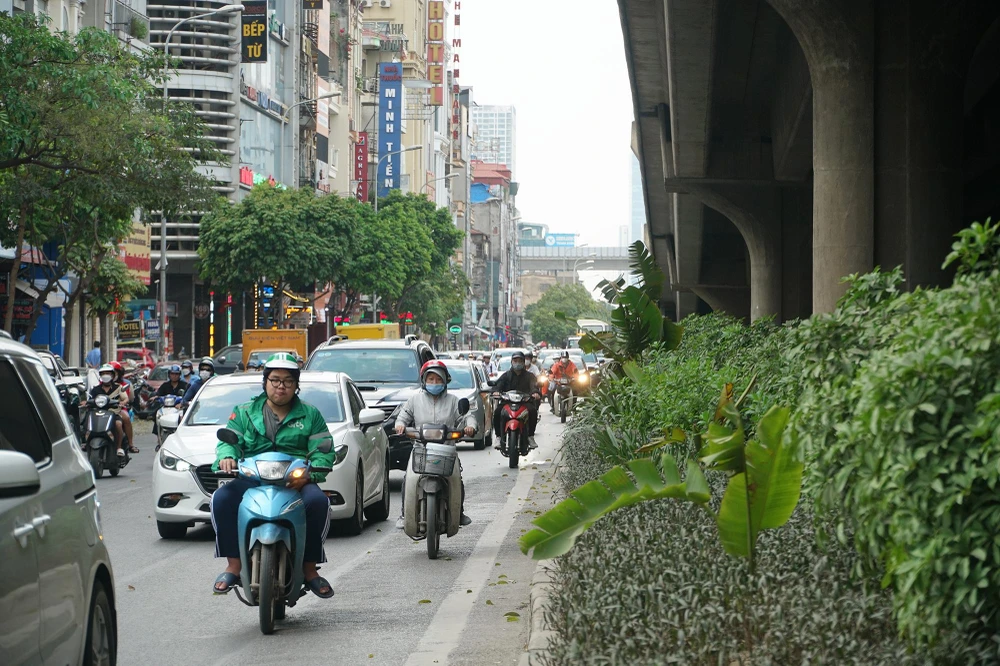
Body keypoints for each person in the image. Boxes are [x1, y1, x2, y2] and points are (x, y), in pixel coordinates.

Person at [209, 353, 335, 598]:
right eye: (275, 380)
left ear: (296, 385)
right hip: (252, 478)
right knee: (221, 499)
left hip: (295, 479)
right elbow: (228, 442)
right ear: (265, 382)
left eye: (287, 381)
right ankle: (234, 565)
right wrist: (227, 457)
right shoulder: (243, 412)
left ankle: (310, 569)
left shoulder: (310, 415)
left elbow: (323, 448)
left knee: (318, 503)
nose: (281, 386)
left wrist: (315, 470)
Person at [394, 360, 477, 529]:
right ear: (424, 380)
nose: (434, 383)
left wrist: (470, 427)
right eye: (431, 379)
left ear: (445, 381)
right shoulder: (414, 401)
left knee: (456, 479)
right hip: (420, 449)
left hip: (446, 450)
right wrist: (400, 426)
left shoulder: (454, 401)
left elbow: (467, 417)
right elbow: (402, 417)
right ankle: (405, 514)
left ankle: (458, 511)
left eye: (438, 380)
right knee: (408, 479)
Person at [492, 350, 541, 449]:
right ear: (512, 362)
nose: (517, 363)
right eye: (515, 360)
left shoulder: (530, 376)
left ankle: (530, 436)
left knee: (532, 411)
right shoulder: (506, 375)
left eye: (520, 360)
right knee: (497, 412)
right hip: (507, 402)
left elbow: (534, 386)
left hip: (524, 402)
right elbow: (498, 385)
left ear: (524, 362)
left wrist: (535, 393)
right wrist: (496, 391)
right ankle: (498, 436)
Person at [87, 364, 128, 457]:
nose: (106, 375)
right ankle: (86, 442)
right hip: (98, 413)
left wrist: (123, 402)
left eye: (108, 373)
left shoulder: (118, 387)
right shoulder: (95, 389)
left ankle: (119, 447)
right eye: (103, 373)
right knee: (87, 422)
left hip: (114, 412)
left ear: (113, 375)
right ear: (100, 376)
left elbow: (125, 398)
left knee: (118, 424)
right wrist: (86, 402)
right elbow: (90, 399)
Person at [109, 361, 138, 453]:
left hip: (119, 408)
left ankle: (130, 444)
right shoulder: (101, 384)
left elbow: (130, 398)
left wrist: (123, 403)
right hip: (104, 408)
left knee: (126, 418)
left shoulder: (125, 384)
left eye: (114, 372)